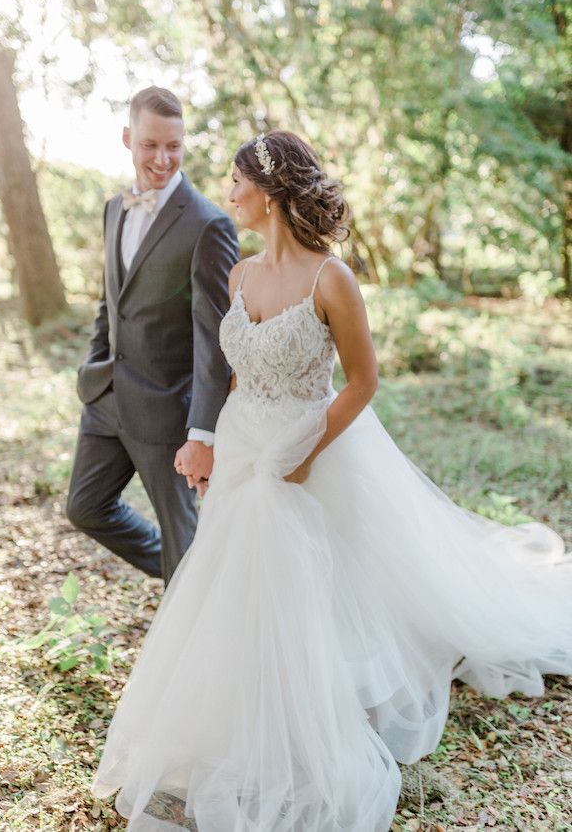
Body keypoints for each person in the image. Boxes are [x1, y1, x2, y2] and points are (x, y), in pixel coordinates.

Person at [92, 131, 572, 831]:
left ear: (271, 188)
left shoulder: (331, 278)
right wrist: (212, 445)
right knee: (241, 580)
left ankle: (317, 709)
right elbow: (231, 374)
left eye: (236, 181)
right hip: (246, 444)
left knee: (314, 577)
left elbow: (362, 381)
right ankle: (238, 710)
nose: (227, 193)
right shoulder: (240, 276)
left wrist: (309, 447)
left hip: (310, 444)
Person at [66, 87, 239, 585]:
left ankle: (190, 605)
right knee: (85, 507)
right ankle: (187, 576)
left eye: (174, 146)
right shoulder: (113, 210)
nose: (162, 159)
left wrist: (202, 432)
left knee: (183, 540)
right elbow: (110, 304)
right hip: (105, 397)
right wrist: (94, 366)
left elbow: (215, 341)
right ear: (128, 138)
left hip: (167, 413)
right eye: (150, 145)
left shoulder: (209, 225)